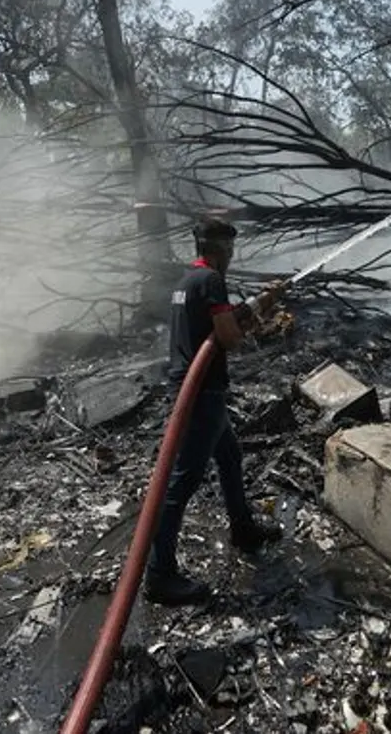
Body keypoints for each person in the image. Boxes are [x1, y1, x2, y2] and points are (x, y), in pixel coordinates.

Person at [145, 217, 285, 605]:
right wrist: (260, 321)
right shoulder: (211, 280)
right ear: (221, 249)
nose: (230, 256)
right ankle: (160, 575)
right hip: (200, 393)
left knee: (230, 458)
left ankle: (243, 529)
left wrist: (259, 303)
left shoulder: (186, 280)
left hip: (195, 388)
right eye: (229, 249)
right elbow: (228, 338)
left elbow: (214, 323)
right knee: (181, 484)